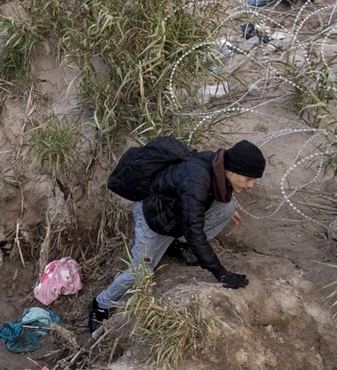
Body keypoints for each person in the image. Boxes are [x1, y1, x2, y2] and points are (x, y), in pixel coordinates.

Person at [88, 139, 266, 331]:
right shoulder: (197, 178)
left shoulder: (215, 164)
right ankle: (101, 304)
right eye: (249, 179)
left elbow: (199, 205)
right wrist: (221, 273)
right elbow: (193, 229)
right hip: (153, 218)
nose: (251, 185)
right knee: (140, 273)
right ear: (232, 170)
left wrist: (226, 204)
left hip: (173, 213)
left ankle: (174, 244)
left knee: (228, 207)